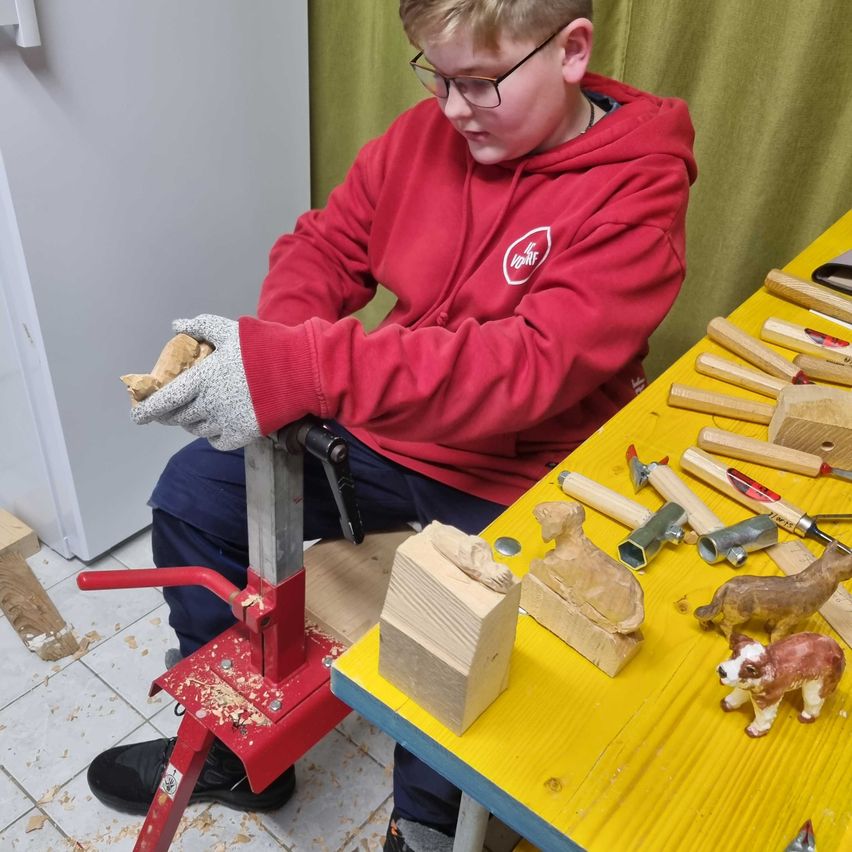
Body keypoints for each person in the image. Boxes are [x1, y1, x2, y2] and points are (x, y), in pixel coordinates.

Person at [86, 0, 696, 848]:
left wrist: (309, 367)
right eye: (437, 77)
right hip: (391, 421)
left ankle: (425, 830)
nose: (452, 108)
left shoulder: (640, 187)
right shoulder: (427, 136)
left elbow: (526, 368)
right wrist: (274, 353)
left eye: (478, 82)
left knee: (461, 628)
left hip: (527, 469)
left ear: (571, 52)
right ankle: (239, 751)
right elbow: (327, 247)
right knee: (193, 497)